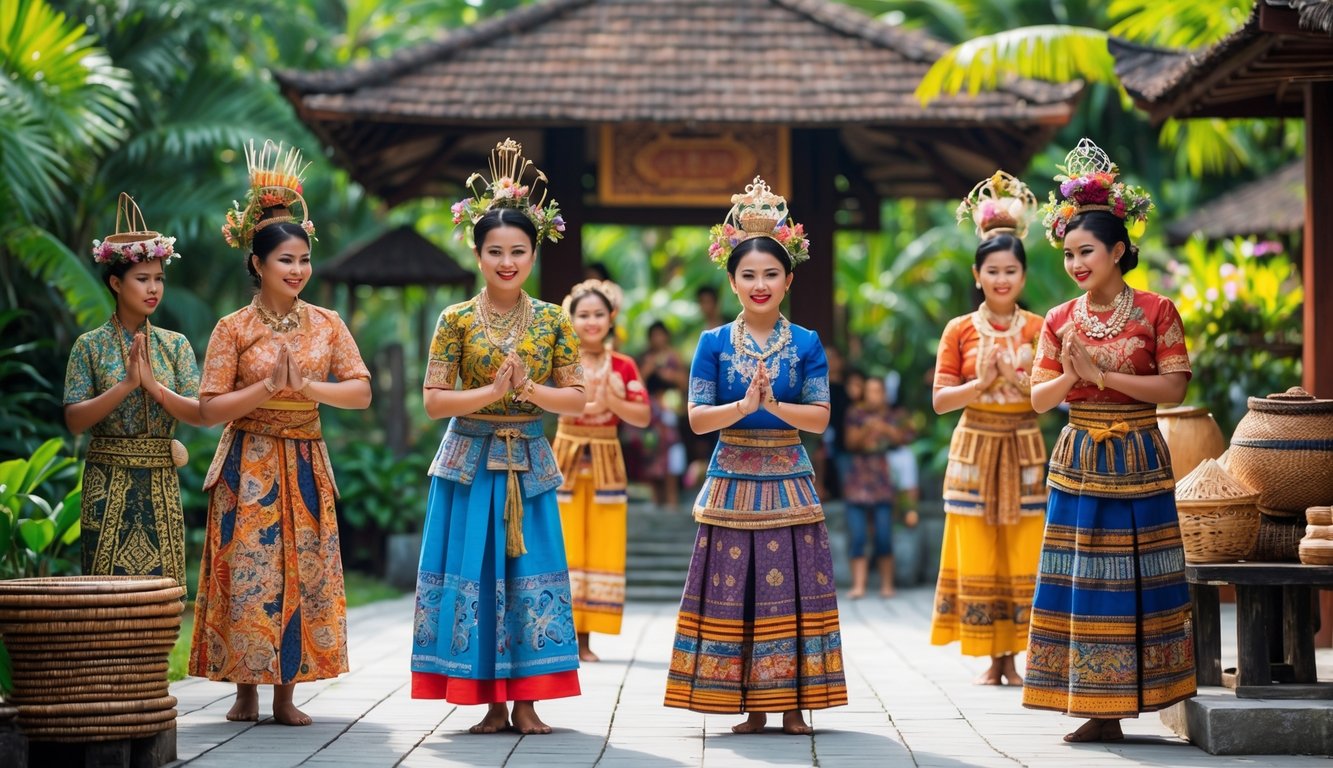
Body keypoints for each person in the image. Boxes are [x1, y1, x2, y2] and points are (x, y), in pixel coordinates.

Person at [191, 140, 372, 727]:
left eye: (303, 260)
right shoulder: (233, 328)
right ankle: (243, 689)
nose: (297, 271)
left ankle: (287, 694)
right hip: (247, 460)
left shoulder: (328, 323)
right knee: (247, 573)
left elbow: (362, 392)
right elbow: (210, 407)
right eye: (285, 261)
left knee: (303, 573)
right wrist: (266, 389)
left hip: (305, 462)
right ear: (258, 264)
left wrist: (309, 390)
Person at [412, 139, 586, 736]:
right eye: (495, 252)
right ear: (478, 254)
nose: (506, 262)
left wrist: (531, 392)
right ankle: (488, 703)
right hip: (469, 458)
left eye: (517, 251)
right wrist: (490, 393)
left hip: (528, 459)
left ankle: (529, 701)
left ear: (533, 253)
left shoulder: (555, 320)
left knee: (530, 572)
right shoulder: (455, 320)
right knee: (476, 572)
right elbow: (434, 401)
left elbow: (577, 398)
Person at [1022, 140, 1195, 742]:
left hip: (1140, 452)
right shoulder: (1058, 318)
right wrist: (1074, 374)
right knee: (1084, 576)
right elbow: (1040, 399)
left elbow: (1172, 387)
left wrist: (1103, 375)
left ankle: (1141, 695)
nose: (1075, 263)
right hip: (1080, 455)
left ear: (1118, 250)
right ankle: (1094, 706)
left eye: (1086, 251)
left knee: (1142, 573)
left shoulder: (1157, 310)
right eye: (1068, 254)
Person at [665, 177, 846, 734]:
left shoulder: (809, 342)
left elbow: (819, 418)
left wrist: (775, 406)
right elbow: (697, 419)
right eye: (749, 275)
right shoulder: (712, 343)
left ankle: (794, 704)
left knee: (792, 585)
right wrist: (744, 405)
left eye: (771, 274)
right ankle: (752, 705)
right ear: (732, 281)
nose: (760, 284)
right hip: (731, 477)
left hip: (790, 473)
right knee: (735, 586)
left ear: (789, 280)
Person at [929, 171, 1047, 686]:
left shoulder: (1041, 328)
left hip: (1024, 444)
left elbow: (1047, 400)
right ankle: (988, 653)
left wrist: (1015, 379)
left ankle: (1014, 658)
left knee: (1024, 545)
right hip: (974, 443)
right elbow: (939, 401)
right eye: (992, 270)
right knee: (977, 543)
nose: (1001, 279)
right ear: (977, 275)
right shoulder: (958, 330)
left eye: (1010, 271)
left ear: (1023, 276)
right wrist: (980, 383)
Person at [64, 194, 203, 587]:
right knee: (105, 591)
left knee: (163, 591)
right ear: (115, 282)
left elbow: (197, 412)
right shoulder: (88, 346)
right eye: (142, 279)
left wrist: (154, 388)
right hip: (105, 479)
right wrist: (126, 386)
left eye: (159, 278)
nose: (153, 288)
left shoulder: (175, 344)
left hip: (160, 476)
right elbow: (74, 421)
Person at [551, 279, 650, 663]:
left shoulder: (624, 365)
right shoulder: (560, 358)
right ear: (570, 319)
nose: (591, 322)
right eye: (583, 315)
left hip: (607, 460)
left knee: (603, 549)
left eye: (598, 315)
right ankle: (565, 635)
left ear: (611, 318)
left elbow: (642, 414)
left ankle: (587, 638)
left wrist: (611, 400)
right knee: (566, 545)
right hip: (565, 460)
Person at [841, 376, 907, 599]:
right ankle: (858, 585)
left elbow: (903, 439)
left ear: (884, 394)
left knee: (884, 534)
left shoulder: (894, 415)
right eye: (870, 391)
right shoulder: (855, 414)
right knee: (858, 534)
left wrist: (884, 428)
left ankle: (887, 585)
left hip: (883, 478)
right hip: (858, 480)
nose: (874, 395)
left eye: (878, 391)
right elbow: (850, 443)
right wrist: (867, 428)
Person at [636, 321, 687, 508]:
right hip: (651, 416)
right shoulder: (645, 358)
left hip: (670, 415)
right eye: (654, 335)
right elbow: (635, 384)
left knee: (672, 457)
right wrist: (647, 371)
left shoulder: (674, 357)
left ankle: (672, 501)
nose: (658, 339)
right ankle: (655, 500)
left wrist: (671, 376)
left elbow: (685, 382)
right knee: (651, 455)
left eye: (661, 334)